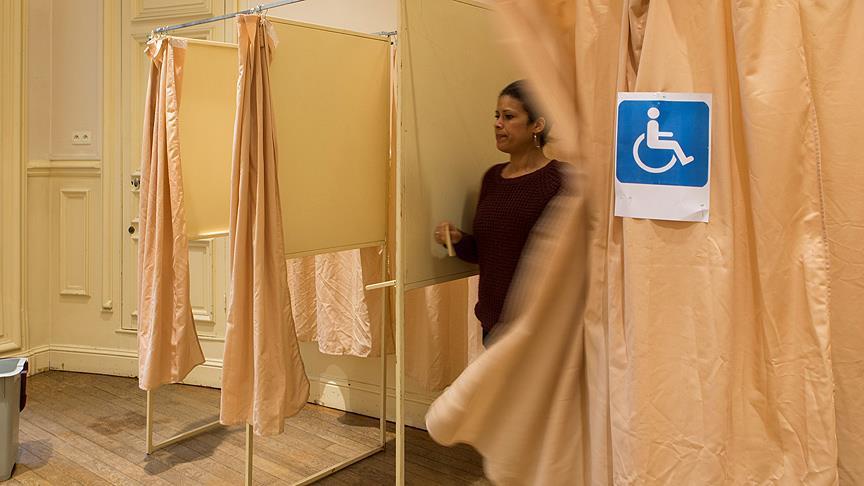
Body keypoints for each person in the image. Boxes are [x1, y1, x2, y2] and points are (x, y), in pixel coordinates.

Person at [434, 80, 566, 343]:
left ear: (537, 125)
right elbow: (488, 253)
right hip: (493, 327)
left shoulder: (561, 178)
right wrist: (458, 240)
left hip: (542, 332)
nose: (498, 124)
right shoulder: (492, 178)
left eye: (508, 116)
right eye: (497, 116)